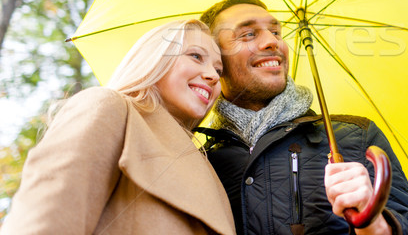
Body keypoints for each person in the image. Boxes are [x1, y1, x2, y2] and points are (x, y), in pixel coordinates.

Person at [196, 0, 408, 235]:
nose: (273, 42)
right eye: (248, 34)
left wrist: (375, 222)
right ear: (215, 61)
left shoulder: (355, 137)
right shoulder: (200, 162)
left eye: (276, 32)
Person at [1, 19, 236, 235]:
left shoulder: (208, 166)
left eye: (218, 70)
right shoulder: (109, 107)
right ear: (155, 58)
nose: (212, 76)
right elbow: (47, 216)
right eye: (196, 56)